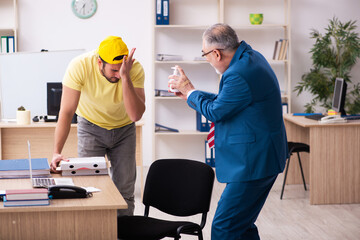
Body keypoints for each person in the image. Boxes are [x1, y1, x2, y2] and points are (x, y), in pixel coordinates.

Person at [168, 23, 288, 240]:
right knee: (242, 226)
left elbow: (216, 112)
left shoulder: (238, 74)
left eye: (205, 54)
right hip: (263, 156)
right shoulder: (251, 58)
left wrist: (190, 91)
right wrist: (191, 93)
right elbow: (229, 101)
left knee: (224, 227)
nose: (206, 59)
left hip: (254, 162)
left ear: (216, 53)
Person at [50, 36, 145, 216]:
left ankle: (123, 233)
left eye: (121, 70)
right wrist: (56, 151)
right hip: (90, 126)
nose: (117, 74)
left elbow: (136, 115)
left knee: (125, 189)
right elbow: (66, 112)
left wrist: (125, 77)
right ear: (99, 62)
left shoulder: (134, 69)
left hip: (124, 128)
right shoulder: (79, 66)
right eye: (114, 70)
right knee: (89, 186)